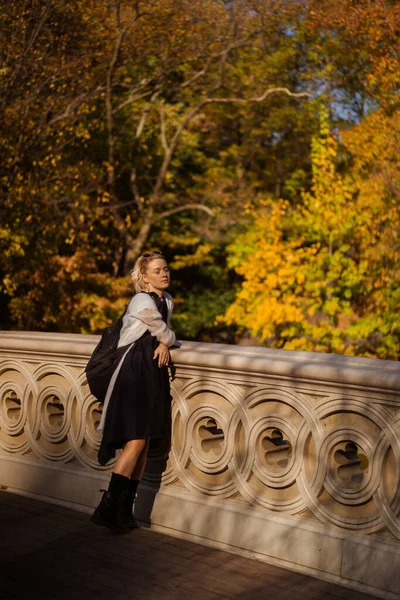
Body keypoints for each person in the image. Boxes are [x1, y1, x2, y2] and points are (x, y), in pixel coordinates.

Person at [91, 250, 176, 532]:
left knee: (146, 441)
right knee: (136, 439)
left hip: (151, 372)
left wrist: (164, 342)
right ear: (144, 277)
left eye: (165, 269)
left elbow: (163, 335)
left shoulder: (167, 300)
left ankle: (124, 510)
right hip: (132, 372)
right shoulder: (141, 299)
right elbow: (163, 331)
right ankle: (108, 507)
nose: (164, 273)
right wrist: (165, 340)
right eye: (157, 270)